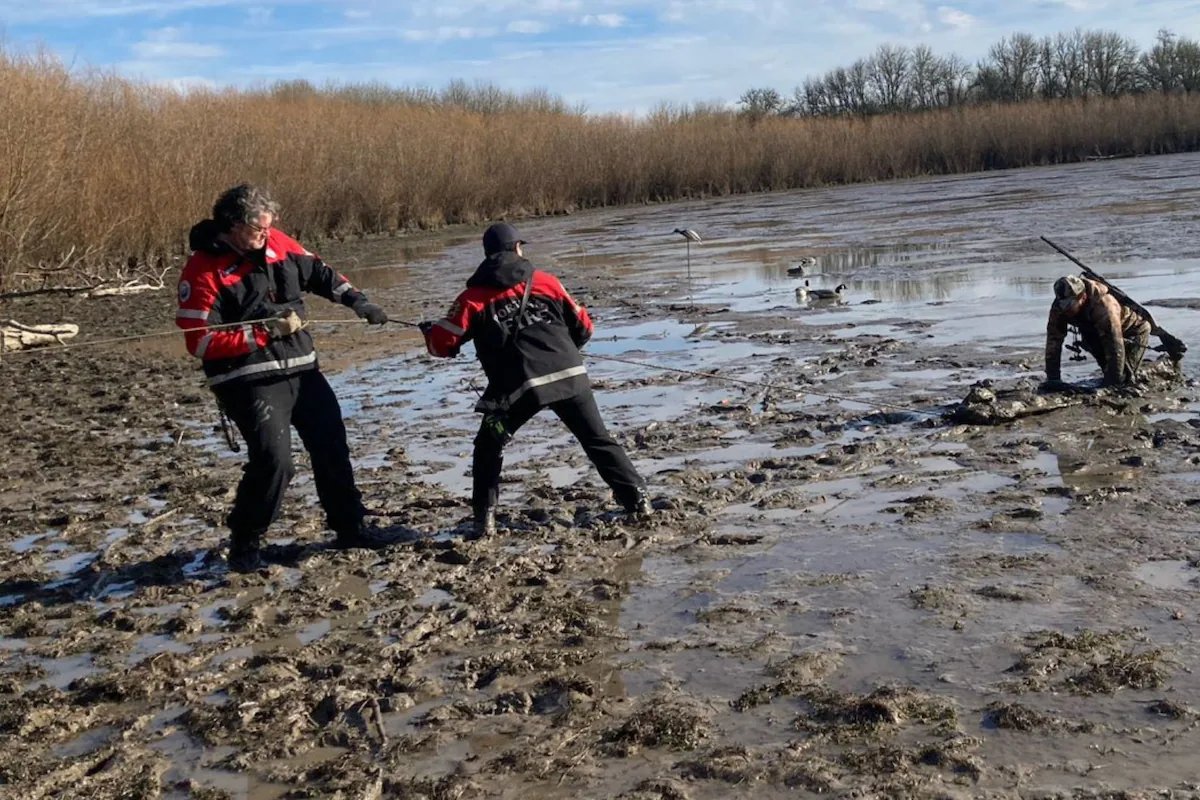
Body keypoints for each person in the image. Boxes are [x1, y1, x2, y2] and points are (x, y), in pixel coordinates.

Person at [175, 184, 390, 572]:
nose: (266, 234)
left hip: (302, 368)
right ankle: (245, 540)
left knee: (331, 446)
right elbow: (200, 342)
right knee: (275, 462)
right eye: (258, 229)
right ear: (233, 226)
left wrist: (359, 302)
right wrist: (265, 333)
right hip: (249, 379)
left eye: (269, 226)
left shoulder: (279, 243)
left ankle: (351, 528)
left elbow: (322, 274)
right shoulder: (203, 270)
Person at [421, 222, 651, 538]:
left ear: (487, 254)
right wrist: (561, 350)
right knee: (597, 440)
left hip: (518, 390)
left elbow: (442, 346)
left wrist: (429, 332)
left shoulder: (472, 299)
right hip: (570, 376)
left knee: (488, 446)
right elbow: (584, 327)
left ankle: (484, 523)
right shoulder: (547, 282)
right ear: (517, 248)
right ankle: (639, 502)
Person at [1044, 274, 1151, 389]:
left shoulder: (1103, 305)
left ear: (1083, 297)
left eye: (1070, 305)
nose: (1066, 309)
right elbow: (1053, 341)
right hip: (1098, 331)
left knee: (1123, 377)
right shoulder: (1059, 307)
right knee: (1103, 363)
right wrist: (1053, 378)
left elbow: (1114, 346)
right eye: (1062, 305)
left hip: (1133, 331)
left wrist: (1112, 383)